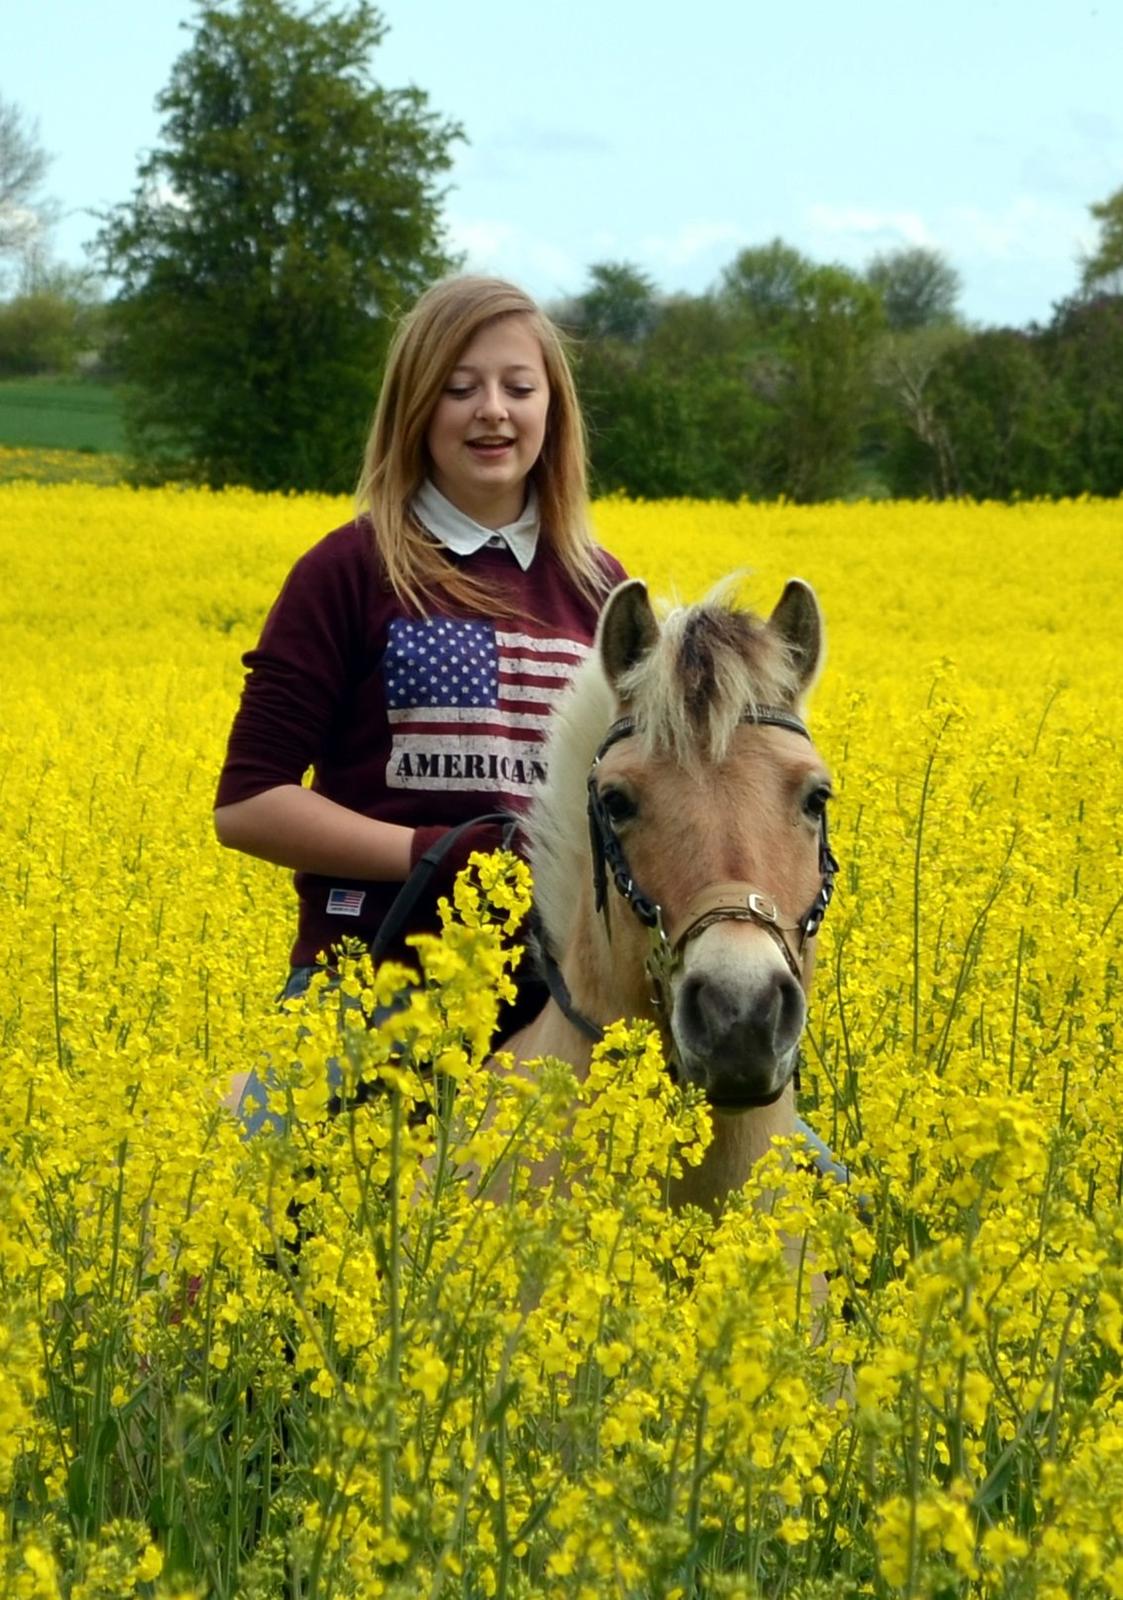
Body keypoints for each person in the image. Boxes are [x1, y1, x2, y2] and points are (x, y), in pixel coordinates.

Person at [214, 276, 628, 1080]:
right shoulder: (346, 571)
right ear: (414, 408)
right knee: (278, 1187)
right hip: (372, 978)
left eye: (519, 387)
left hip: (562, 997)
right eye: (458, 388)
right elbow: (247, 806)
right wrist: (434, 853)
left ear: (553, 409)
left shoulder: (601, 588)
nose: (492, 411)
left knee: (809, 1182)